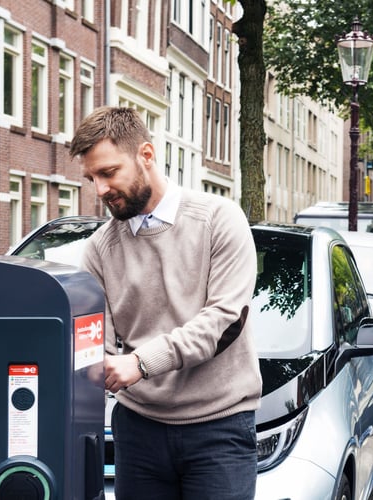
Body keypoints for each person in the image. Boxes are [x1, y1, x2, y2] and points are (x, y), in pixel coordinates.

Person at [70, 106, 262, 499]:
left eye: (108, 173)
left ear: (146, 155)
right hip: (138, 430)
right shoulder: (99, 250)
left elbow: (224, 321)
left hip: (219, 429)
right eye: (92, 178)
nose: (100, 190)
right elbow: (93, 344)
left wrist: (140, 363)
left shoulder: (220, 220)